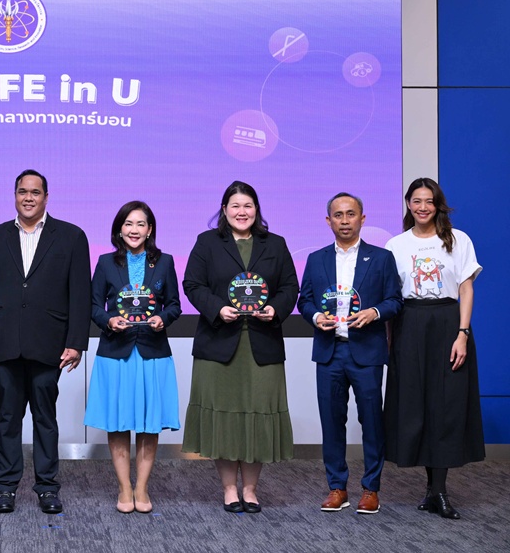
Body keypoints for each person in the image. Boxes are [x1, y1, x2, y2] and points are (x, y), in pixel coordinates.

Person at [0, 169, 91, 515]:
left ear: (46, 197)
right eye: (22, 191)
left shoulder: (71, 237)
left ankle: (47, 488)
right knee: (8, 419)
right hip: (4, 343)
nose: (28, 198)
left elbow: (80, 295)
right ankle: (6, 488)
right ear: (14, 195)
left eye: (35, 192)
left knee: (45, 419)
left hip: (49, 344)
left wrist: (76, 342)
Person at [181, 181, 298, 514]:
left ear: (256, 210)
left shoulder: (275, 243)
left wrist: (275, 308)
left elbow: (290, 286)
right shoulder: (207, 242)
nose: (241, 212)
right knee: (225, 418)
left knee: (257, 416)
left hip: (262, 344)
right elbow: (192, 284)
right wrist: (217, 308)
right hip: (219, 343)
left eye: (248, 205)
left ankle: (250, 489)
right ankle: (229, 489)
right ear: (224, 210)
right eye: (235, 206)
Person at [384, 178, 484, 519]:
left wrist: (462, 333)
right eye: (417, 201)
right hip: (409, 324)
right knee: (417, 405)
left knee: (446, 404)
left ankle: (439, 491)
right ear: (408, 204)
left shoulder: (458, 240)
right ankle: (431, 490)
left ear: (438, 204)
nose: (423, 207)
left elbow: (466, 289)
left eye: (429, 201)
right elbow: (392, 296)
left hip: (447, 324)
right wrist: (390, 340)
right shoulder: (396, 245)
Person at [298, 193, 402, 515]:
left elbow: (395, 301)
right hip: (329, 352)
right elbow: (305, 300)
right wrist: (316, 316)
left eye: (351, 214)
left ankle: (371, 488)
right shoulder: (316, 259)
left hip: (366, 352)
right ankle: (337, 487)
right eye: (338, 215)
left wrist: (375, 312)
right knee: (331, 422)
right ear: (328, 220)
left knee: (371, 421)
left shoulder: (381, 258)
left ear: (362, 218)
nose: (345, 221)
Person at [84, 201, 181, 514]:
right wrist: (109, 320)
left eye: (140, 224)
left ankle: (142, 487)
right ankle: (125, 487)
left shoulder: (164, 262)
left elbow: (174, 304)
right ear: (119, 229)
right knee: (118, 423)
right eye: (128, 224)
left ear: (150, 230)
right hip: (117, 353)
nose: (134, 230)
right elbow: (93, 305)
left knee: (149, 425)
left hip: (152, 352)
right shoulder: (105, 263)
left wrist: (163, 318)